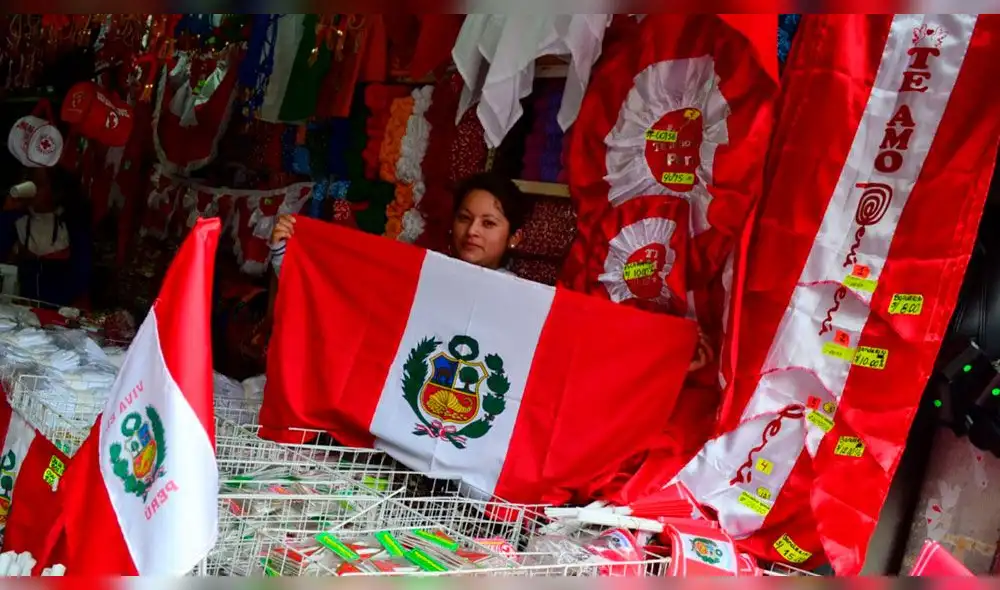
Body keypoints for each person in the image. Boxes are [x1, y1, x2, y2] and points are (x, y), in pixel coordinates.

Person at [268, 171, 711, 371]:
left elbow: (590, 348)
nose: (472, 231)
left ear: (514, 237)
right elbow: (343, 296)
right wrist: (286, 251)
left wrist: (667, 356)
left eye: (489, 223)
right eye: (464, 218)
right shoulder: (418, 273)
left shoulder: (528, 301)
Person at [0, 167, 91, 307]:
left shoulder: (71, 225)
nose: (33, 189)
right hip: (20, 311)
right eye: (30, 181)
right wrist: (7, 212)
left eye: (39, 184)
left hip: (60, 313)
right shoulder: (17, 220)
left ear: (56, 191)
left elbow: (82, 275)